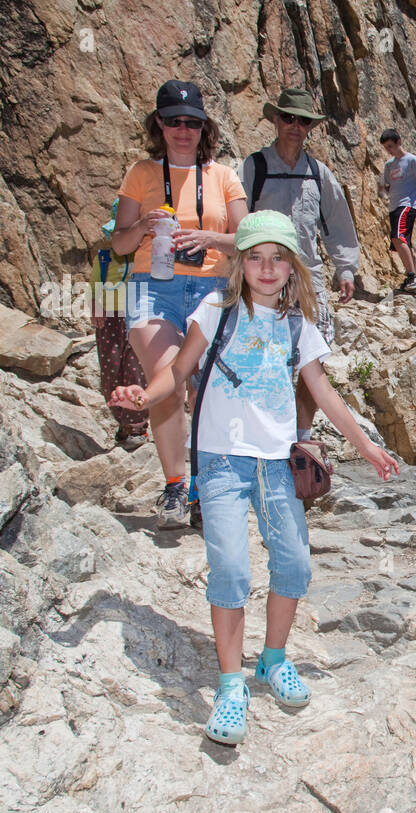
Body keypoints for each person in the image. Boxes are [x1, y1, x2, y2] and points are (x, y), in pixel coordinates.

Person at [108, 211, 400, 746]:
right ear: (241, 263)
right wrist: (143, 396)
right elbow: (177, 372)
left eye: (278, 258)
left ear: (291, 267)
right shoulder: (216, 309)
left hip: (275, 462)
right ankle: (229, 684)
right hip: (220, 459)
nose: (267, 269)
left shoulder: (297, 325)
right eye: (256, 257)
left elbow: (325, 394)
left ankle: (272, 660)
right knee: (231, 570)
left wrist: (367, 446)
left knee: (292, 562)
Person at [111, 80, 248, 529]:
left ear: (203, 127)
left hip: (211, 287)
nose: (183, 130)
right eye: (174, 121)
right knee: (167, 377)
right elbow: (119, 245)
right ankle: (175, 483)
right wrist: (146, 227)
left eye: (192, 122)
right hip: (154, 285)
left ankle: (205, 487)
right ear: (160, 124)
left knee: (206, 389)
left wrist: (209, 238)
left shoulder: (224, 176)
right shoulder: (141, 174)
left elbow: (247, 240)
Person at [241, 88, 360, 449]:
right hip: (264, 279)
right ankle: (262, 430)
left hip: (309, 278)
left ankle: (300, 436)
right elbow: (236, 221)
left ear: (310, 127)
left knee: (314, 359)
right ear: (276, 120)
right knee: (263, 357)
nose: (295, 126)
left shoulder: (318, 173)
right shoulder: (254, 167)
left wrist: (346, 269)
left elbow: (338, 223)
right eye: (288, 118)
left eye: (303, 121)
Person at [95, 199, 148, 450]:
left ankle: (138, 423)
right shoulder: (105, 258)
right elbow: (96, 283)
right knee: (111, 369)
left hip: (140, 316)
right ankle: (122, 420)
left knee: (136, 369)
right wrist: (95, 304)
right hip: (111, 320)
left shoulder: (147, 258)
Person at [377, 128, 416, 293]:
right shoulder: (389, 165)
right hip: (394, 206)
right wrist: (381, 188)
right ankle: (413, 276)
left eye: (390, 146)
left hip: (408, 205)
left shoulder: (412, 160)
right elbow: (387, 188)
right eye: (386, 148)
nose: (389, 151)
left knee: (398, 237)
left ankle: (413, 276)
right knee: (404, 242)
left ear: (399, 142)